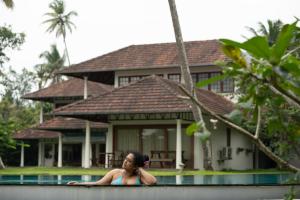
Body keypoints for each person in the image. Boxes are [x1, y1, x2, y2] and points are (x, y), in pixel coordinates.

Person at [68, 152, 156, 185]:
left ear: (135, 165)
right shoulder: (115, 173)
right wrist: (79, 183)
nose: (125, 161)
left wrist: (140, 168)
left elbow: (152, 182)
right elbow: (97, 183)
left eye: (129, 161)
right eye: (125, 158)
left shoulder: (139, 176)